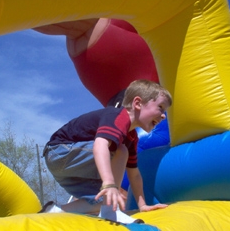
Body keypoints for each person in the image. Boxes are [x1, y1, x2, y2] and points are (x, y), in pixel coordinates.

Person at [40, 79, 172, 224]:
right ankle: (110, 212)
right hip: (60, 152)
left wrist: (143, 205)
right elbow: (100, 145)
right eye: (160, 107)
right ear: (138, 103)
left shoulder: (132, 137)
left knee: (105, 199)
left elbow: (134, 175)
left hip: (67, 168)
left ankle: (55, 211)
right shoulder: (118, 117)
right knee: (120, 150)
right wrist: (109, 183)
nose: (163, 115)